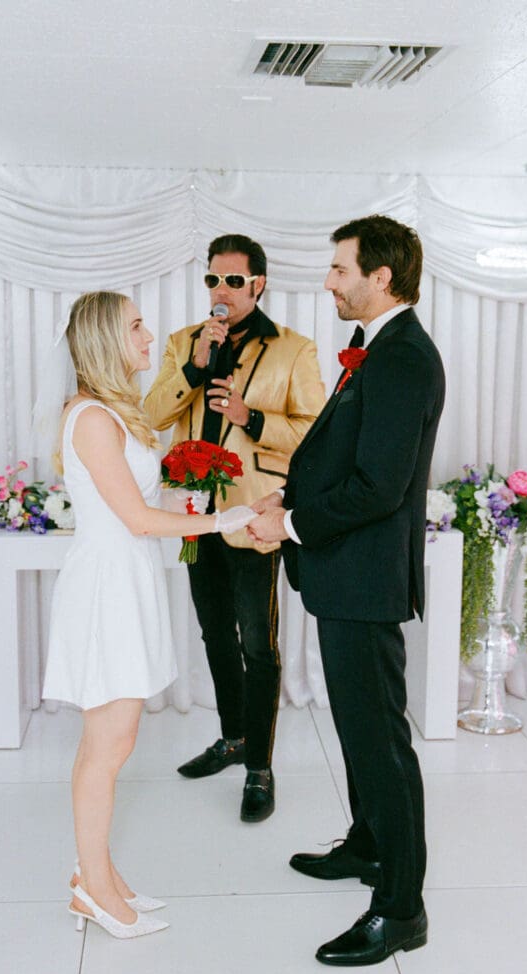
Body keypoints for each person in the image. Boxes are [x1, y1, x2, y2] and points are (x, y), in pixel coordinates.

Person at [249, 215, 445, 965]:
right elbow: (341, 457)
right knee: (360, 731)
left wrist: (291, 524)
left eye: (338, 269)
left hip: (361, 580)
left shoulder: (401, 359)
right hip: (346, 577)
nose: (328, 281)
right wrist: (282, 499)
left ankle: (400, 909)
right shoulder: (378, 350)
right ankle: (367, 845)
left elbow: (376, 488)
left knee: (380, 742)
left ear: (380, 277)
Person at [41, 291, 255, 939]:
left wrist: (191, 500)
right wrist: (223, 519)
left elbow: (136, 501)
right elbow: (133, 518)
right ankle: (93, 888)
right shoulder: (92, 418)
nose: (147, 334)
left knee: (114, 741)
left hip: (126, 576)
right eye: (135, 326)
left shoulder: (113, 411)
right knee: (106, 748)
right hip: (105, 586)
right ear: (108, 338)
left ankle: (100, 876)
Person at [144, 234, 325, 822]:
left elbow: (316, 436)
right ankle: (233, 738)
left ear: (259, 285)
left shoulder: (294, 350)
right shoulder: (182, 344)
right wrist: (195, 367)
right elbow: (151, 417)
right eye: (212, 281)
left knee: (258, 644)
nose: (220, 293)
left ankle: (260, 767)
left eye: (233, 282)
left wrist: (253, 418)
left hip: (253, 516)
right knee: (215, 637)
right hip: (196, 517)